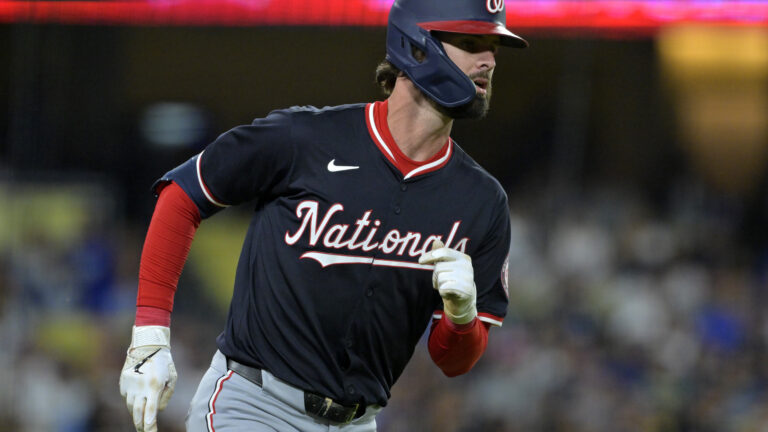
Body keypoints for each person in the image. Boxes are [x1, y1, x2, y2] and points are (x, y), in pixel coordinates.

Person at [118, 0, 527, 430]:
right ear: (417, 47)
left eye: (494, 46)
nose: (489, 60)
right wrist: (149, 336)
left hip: (358, 422)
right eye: (470, 42)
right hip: (256, 404)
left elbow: (454, 362)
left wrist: (461, 318)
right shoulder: (305, 140)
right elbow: (182, 195)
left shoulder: (482, 201)